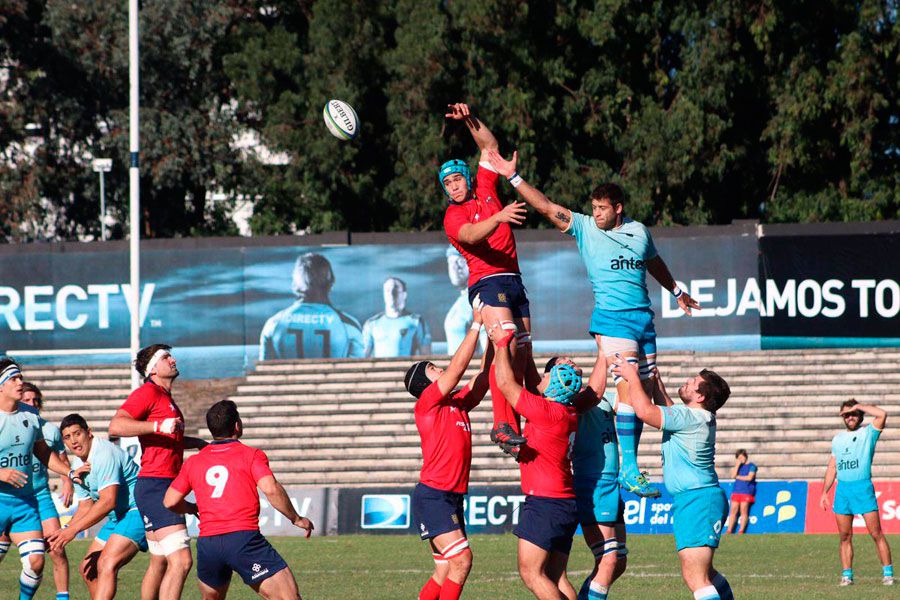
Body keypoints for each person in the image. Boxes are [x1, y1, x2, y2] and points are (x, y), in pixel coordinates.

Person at [486, 149, 699, 497]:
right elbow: (545, 207)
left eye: (602, 208)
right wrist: (513, 177)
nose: (596, 212)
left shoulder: (640, 232)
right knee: (627, 383)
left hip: (643, 319)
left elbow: (654, 262)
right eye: (594, 207)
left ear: (618, 207)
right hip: (611, 319)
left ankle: (630, 465)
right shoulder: (585, 227)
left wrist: (677, 291)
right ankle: (629, 469)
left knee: (641, 393)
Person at [441, 102, 530, 455]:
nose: (453, 186)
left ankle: (515, 421)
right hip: (487, 281)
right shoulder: (452, 215)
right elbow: (471, 235)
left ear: (466, 176)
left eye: (456, 178)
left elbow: (489, 149)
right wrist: (500, 218)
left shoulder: (487, 187)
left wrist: (469, 120)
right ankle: (501, 424)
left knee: (521, 353)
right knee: (504, 339)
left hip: (514, 279)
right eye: (447, 183)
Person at [164, 400, 314, 599]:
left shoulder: (194, 461)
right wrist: (296, 519)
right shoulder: (251, 455)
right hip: (243, 540)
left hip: (208, 544)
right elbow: (271, 489)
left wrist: (192, 508)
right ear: (237, 425)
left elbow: (170, 501)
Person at [611, 355, 733, 600]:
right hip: (699, 499)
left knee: (696, 578)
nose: (687, 382)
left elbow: (645, 412)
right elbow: (669, 411)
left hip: (697, 501)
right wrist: (656, 384)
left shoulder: (690, 418)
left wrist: (632, 375)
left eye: (693, 383)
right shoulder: (694, 416)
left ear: (701, 397)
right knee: (705, 573)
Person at [489, 327, 595, 600]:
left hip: (546, 503)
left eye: (547, 376)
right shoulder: (568, 411)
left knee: (531, 573)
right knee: (556, 577)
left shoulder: (546, 412)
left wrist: (501, 345)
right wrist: (527, 353)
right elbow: (531, 383)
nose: (541, 379)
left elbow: (504, 383)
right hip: (564, 502)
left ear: (555, 385)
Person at [107, 344, 208, 600]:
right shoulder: (148, 393)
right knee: (182, 560)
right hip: (157, 485)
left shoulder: (165, 397)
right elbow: (116, 426)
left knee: (160, 561)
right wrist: (158, 425)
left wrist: (200, 445)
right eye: (166, 357)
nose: (173, 360)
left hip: (159, 485)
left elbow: (168, 437)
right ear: (153, 369)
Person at [405, 302, 491, 600]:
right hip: (434, 496)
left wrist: (493, 339)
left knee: (444, 571)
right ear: (424, 383)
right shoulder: (427, 402)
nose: (439, 368)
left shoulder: (456, 403)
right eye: (432, 369)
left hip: (450, 496)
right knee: (462, 560)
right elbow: (456, 370)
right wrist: (477, 324)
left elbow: (482, 380)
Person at [546, 352, 624, 600]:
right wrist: (605, 349)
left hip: (612, 481)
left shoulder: (600, 398)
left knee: (618, 561)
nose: (569, 361)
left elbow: (628, 403)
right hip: (592, 482)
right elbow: (593, 395)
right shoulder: (569, 399)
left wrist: (638, 374)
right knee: (608, 559)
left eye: (570, 359)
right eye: (562, 363)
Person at [47, 414, 148, 600]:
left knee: (106, 563)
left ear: (89, 433)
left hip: (139, 510)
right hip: (118, 517)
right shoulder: (78, 465)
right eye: (67, 437)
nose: (74, 441)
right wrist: (65, 531)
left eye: (77, 433)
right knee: (88, 569)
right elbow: (85, 506)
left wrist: (73, 530)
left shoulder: (103, 454)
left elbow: (108, 501)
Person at [0, 358, 72, 600]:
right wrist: (2, 473)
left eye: (20, 377)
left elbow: (43, 454)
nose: (20, 382)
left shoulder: (31, 415)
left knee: (36, 561)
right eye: (14, 378)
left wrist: (68, 473)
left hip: (25, 503)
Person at [819, 399, 893, 586]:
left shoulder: (868, 433)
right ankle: (847, 576)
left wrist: (858, 406)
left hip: (863, 488)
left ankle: (888, 574)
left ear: (860, 416)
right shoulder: (837, 439)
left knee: (876, 533)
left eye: (853, 414)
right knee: (844, 537)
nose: (850, 417)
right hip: (843, 490)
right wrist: (824, 492)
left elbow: (882, 414)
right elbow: (832, 467)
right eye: (846, 414)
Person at [20, 383, 74, 600]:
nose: (32, 404)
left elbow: (61, 459)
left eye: (36, 400)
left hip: (41, 496)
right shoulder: (7, 425)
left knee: (57, 547)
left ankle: (63, 596)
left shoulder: (50, 430)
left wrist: (67, 482)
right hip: (11, 496)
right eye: (27, 400)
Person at [260, 252, 365, 359]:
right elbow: (358, 372)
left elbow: (264, 372)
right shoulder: (349, 325)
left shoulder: (273, 324)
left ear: (295, 284)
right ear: (331, 282)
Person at [362, 277, 432, 357]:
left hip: (407, 369)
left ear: (404, 294)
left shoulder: (416, 322)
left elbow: (426, 356)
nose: (391, 294)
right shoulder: (372, 324)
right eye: (388, 290)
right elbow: (362, 357)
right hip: (380, 369)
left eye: (396, 290)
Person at [444, 246, 486, 355]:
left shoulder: (480, 298)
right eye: (451, 263)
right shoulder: (462, 300)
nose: (455, 268)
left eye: (460, 262)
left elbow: (489, 347)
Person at [726, 449, 757, 535]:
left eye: (741, 457)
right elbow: (733, 476)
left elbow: (749, 478)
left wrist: (738, 477)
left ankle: (741, 530)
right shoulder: (738, 466)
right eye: (738, 458)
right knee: (733, 511)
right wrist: (737, 465)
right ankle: (729, 530)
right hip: (736, 491)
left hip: (746, 491)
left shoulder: (752, 466)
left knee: (743, 511)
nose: (740, 459)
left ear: (745, 456)